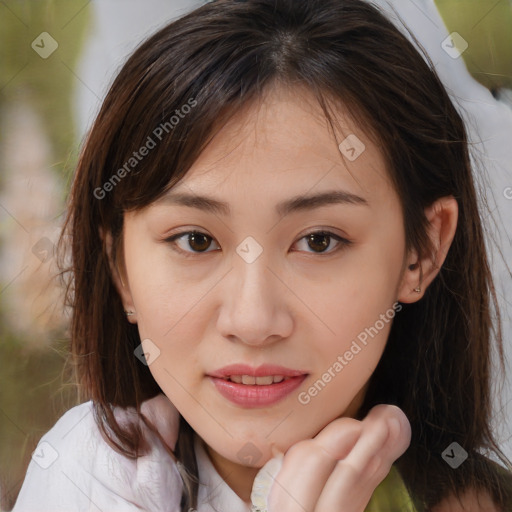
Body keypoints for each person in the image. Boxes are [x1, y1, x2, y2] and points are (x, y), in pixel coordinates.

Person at [11, 0, 512, 510]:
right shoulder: (88, 481)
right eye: (196, 241)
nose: (252, 321)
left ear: (422, 251)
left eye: (319, 241)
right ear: (120, 267)